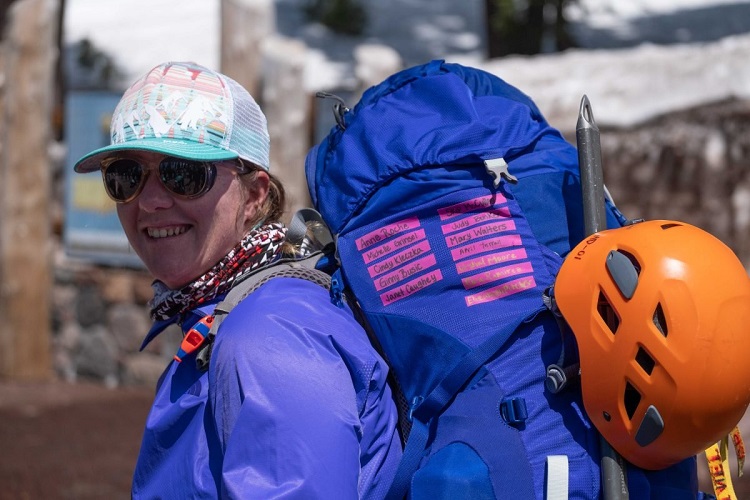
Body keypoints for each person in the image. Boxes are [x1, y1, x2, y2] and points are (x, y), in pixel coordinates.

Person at [73, 61, 402, 498]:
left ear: (255, 194)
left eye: (183, 174)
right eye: (126, 175)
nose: (150, 201)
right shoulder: (232, 311)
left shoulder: (270, 335)